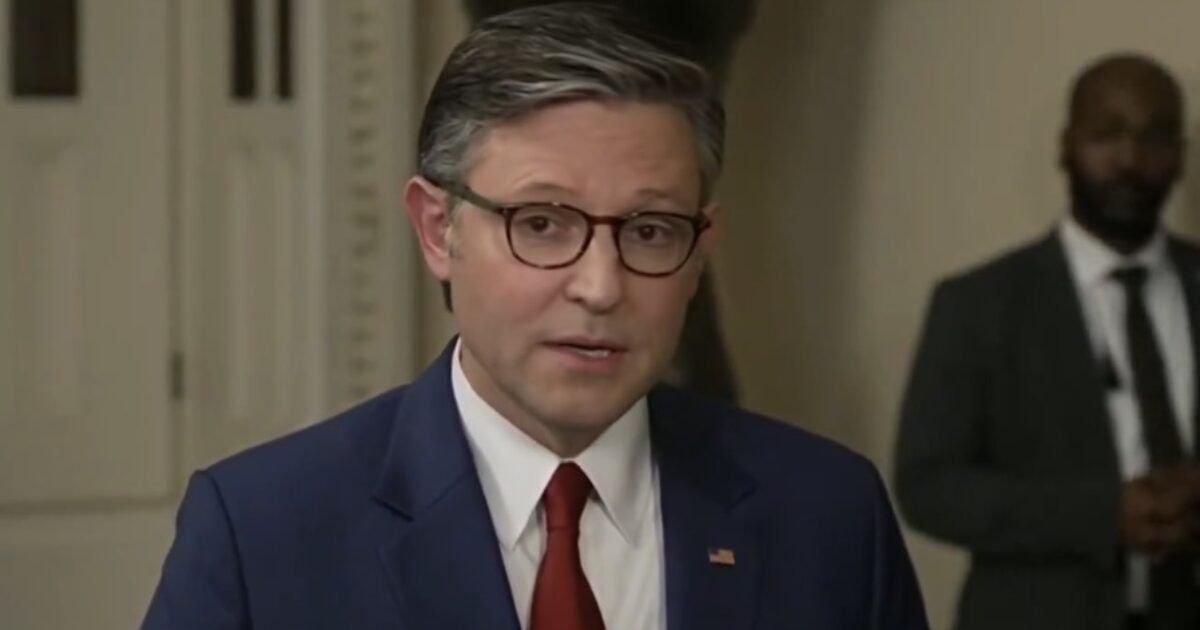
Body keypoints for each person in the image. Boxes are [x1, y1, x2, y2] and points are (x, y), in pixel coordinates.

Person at [143, 4, 927, 629]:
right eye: (543, 223)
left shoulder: (829, 516)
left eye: (650, 231)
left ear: (699, 251)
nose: (600, 286)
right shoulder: (262, 533)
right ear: (438, 231)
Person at [895, 53, 1200, 630]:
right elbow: (928, 486)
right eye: (1107, 134)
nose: (1130, 160)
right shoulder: (977, 303)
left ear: (1181, 156)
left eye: (1155, 137)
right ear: (1065, 145)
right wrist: (1103, 514)